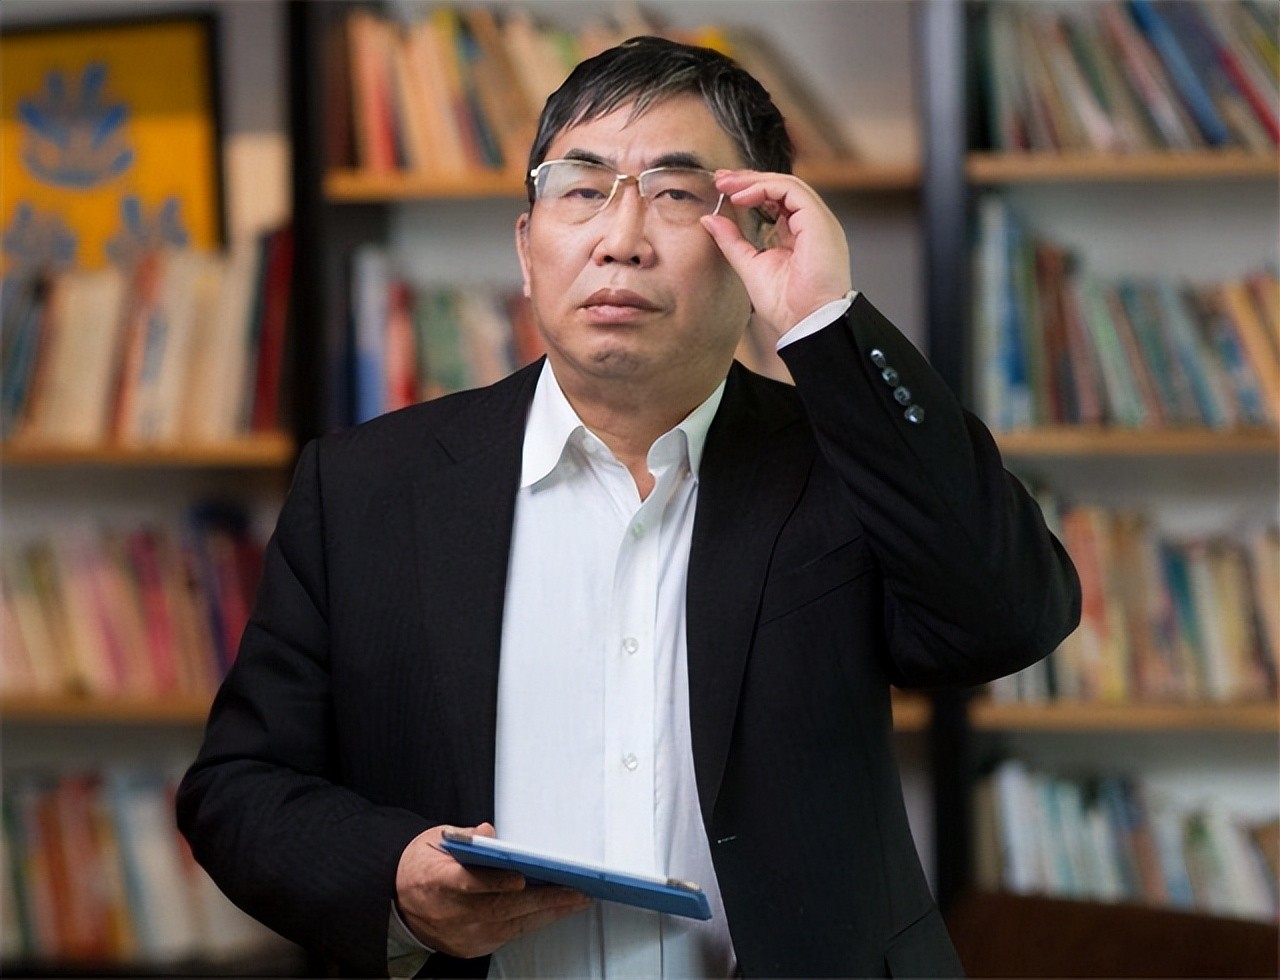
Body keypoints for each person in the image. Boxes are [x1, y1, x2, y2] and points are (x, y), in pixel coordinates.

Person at [177, 36, 1079, 979]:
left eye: (677, 193)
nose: (621, 238)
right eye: (581, 189)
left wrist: (824, 319)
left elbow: (1008, 617)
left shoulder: (845, 464)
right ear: (527, 247)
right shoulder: (366, 489)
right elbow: (239, 788)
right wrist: (395, 883)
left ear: (754, 240)